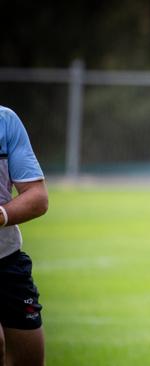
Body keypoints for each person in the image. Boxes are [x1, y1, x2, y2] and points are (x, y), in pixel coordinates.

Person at [0, 106, 49, 366]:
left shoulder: (5, 121)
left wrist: (0, 215)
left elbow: (38, 198)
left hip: (7, 260)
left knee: (29, 357)